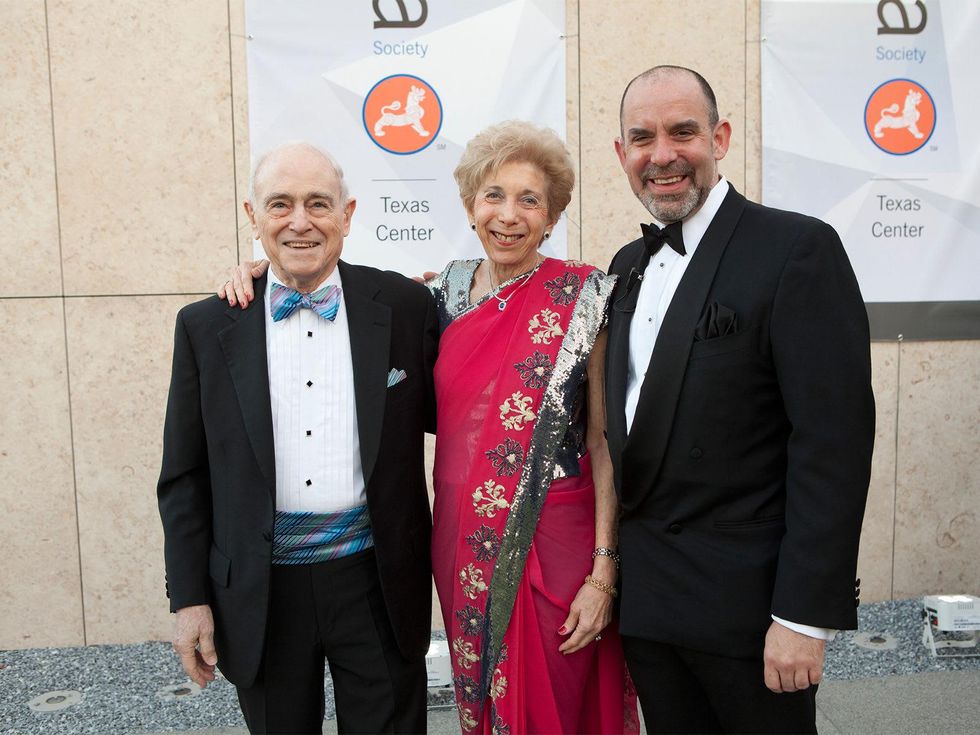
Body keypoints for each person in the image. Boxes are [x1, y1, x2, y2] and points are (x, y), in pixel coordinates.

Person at [223, 121, 637, 734]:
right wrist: (265, 268)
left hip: (558, 546)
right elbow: (333, 286)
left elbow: (603, 444)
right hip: (462, 542)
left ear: (552, 217)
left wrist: (605, 570)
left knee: (555, 701)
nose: (509, 215)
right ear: (471, 207)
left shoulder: (585, 297)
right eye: (493, 195)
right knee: (486, 699)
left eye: (530, 200)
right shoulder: (437, 298)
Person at [604, 65, 875, 733]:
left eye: (683, 132)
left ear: (719, 137)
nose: (661, 155)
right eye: (642, 137)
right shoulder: (623, 268)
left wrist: (803, 615)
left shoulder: (796, 249)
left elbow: (832, 444)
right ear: (621, 154)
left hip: (753, 622)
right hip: (650, 614)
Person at [158, 142, 437, 734]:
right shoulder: (207, 327)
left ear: (348, 213)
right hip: (260, 591)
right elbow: (185, 476)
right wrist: (188, 598)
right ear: (252, 215)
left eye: (319, 203)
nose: (300, 221)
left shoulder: (406, 306)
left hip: (379, 582)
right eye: (279, 205)